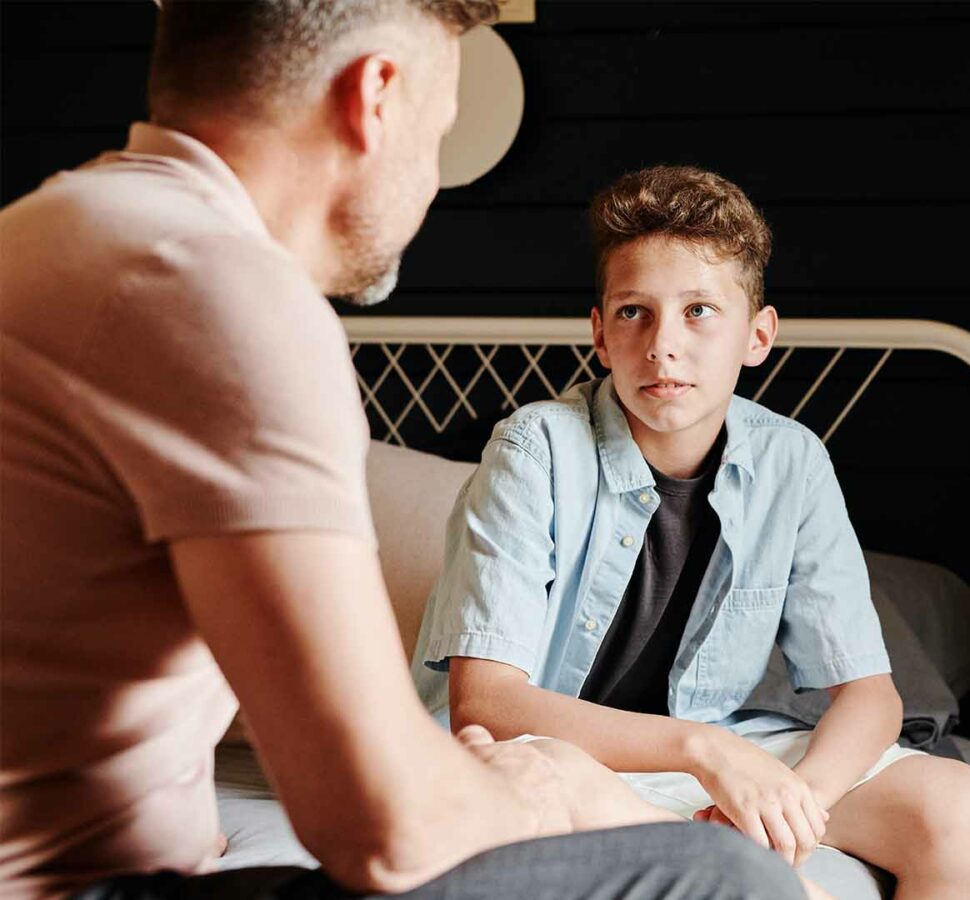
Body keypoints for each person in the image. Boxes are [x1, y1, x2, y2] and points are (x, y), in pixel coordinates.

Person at [0, 3, 807, 899]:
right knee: (728, 878)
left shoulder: (45, 229)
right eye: (442, 132)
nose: (429, 179)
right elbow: (384, 827)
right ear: (375, 96)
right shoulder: (221, 292)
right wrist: (534, 791)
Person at [410, 165, 970, 898]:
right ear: (598, 333)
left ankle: (732, 861)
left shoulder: (792, 460)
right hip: (558, 754)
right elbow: (487, 704)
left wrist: (795, 805)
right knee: (546, 781)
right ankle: (728, 874)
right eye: (634, 312)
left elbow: (871, 698)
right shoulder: (532, 450)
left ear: (758, 335)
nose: (663, 345)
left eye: (698, 311)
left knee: (958, 806)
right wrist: (705, 752)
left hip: (725, 752)